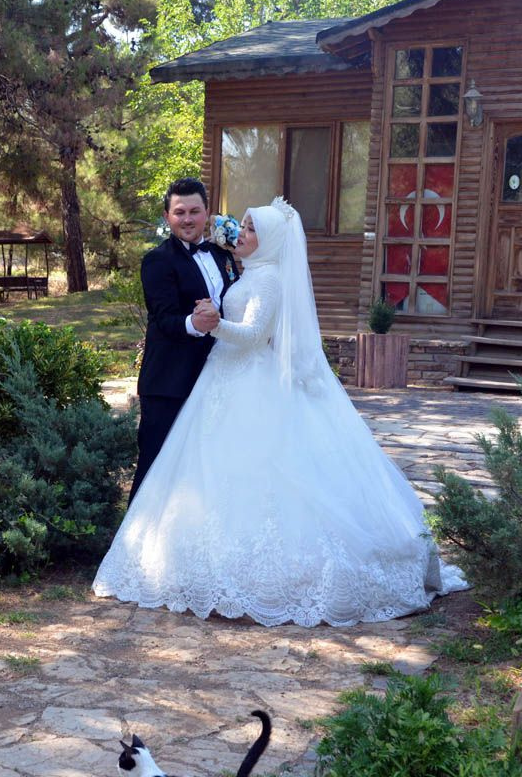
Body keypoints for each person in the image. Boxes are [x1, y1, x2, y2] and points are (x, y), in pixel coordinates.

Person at [94, 198, 467, 627]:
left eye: (250, 230)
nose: (241, 234)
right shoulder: (245, 269)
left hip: (247, 375)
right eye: (243, 227)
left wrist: (216, 324)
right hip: (219, 378)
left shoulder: (268, 279)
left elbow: (253, 335)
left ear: (268, 240)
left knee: (262, 472)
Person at [130, 177, 239, 500]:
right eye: (179, 212)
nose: (187, 219)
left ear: (208, 213)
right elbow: (164, 319)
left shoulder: (224, 256)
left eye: (194, 211)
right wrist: (196, 322)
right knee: (155, 469)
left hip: (217, 381)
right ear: (167, 216)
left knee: (203, 472)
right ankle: (132, 545)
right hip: (168, 384)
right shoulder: (157, 261)